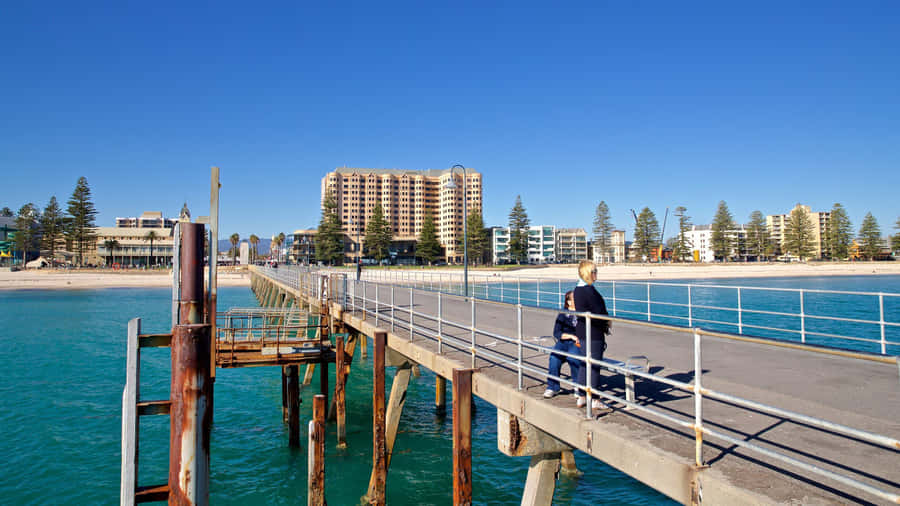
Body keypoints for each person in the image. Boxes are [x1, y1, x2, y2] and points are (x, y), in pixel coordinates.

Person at [573, 260, 612, 411]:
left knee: (585, 363)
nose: (596, 274)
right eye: (594, 271)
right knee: (594, 365)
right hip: (593, 332)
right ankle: (595, 398)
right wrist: (606, 323)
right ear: (587, 273)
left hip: (583, 331)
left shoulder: (578, 289)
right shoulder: (588, 291)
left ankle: (582, 395)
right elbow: (597, 312)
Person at [543, 291, 581, 398]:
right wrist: (570, 336)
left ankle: (578, 386)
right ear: (568, 301)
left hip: (577, 343)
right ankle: (552, 387)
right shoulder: (563, 314)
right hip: (564, 341)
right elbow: (556, 332)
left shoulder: (582, 313)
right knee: (554, 358)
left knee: (573, 358)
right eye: (574, 298)